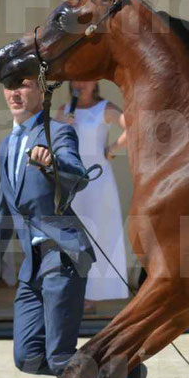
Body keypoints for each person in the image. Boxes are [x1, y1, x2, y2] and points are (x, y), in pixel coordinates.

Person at [0, 78, 146, 378]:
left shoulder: (59, 131)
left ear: (41, 94)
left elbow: (79, 176)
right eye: (9, 86)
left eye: (24, 86)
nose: (15, 93)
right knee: (27, 356)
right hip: (32, 266)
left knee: (63, 357)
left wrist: (53, 166)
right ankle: (118, 373)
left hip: (62, 256)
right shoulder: (7, 145)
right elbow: (0, 214)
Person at [56, 81, 130, 308]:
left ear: (95, 83)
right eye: (76, 79)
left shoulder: (103, 108)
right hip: (71, 181)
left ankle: (95, 293)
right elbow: (49, 141)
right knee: (70, 234)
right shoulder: (64, 109)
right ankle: (72, 288)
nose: (80, 84)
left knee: (99, 233)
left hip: (98, 181)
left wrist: (112, 149)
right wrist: (61, 127)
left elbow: (134, 127)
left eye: (85, 79)